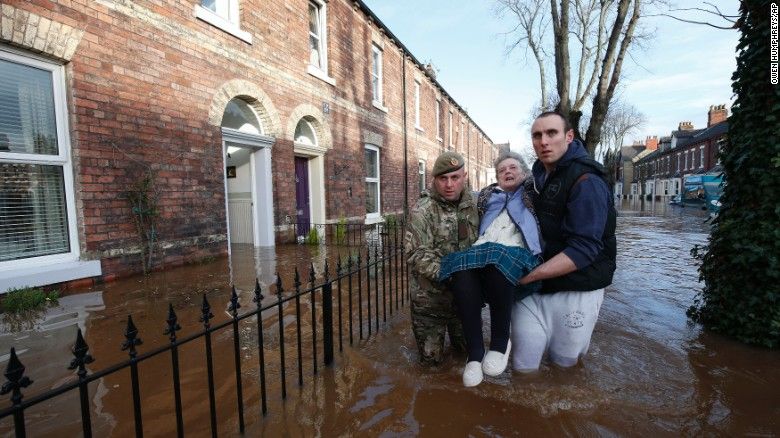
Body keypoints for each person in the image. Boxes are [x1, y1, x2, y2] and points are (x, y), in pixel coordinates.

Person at [515, 111, 617, 371]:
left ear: (569, 136)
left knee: (564, 369)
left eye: (552, 133)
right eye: (537, 135)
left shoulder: (587, 180)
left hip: (577, 289)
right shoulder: (537, 175)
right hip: (536, 288)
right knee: (523, 366)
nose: (544, 142)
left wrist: (529, 276)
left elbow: (584, 249)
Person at [438, 151, 542, 386]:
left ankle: (500, 341)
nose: (507, 172)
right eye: (502, 169)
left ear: (524, 173)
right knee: (460, 268)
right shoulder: (486, 196)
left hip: (518, 251)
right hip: (484, 248)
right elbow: (456, 196)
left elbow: (547, 179)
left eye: (513, 167)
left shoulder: (533, 193)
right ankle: (474, 354)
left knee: (498, 260)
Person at [405, 151, 479, 366]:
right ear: (434, 180)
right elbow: (417, 253)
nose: (449, 184)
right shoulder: (423, 210)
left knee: (469, 357)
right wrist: (455, 277)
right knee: (431, 366)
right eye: (442, 178)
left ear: (464, 177)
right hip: (429, 302)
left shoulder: (475, 206)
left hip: (464, 302)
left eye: (455, 178)